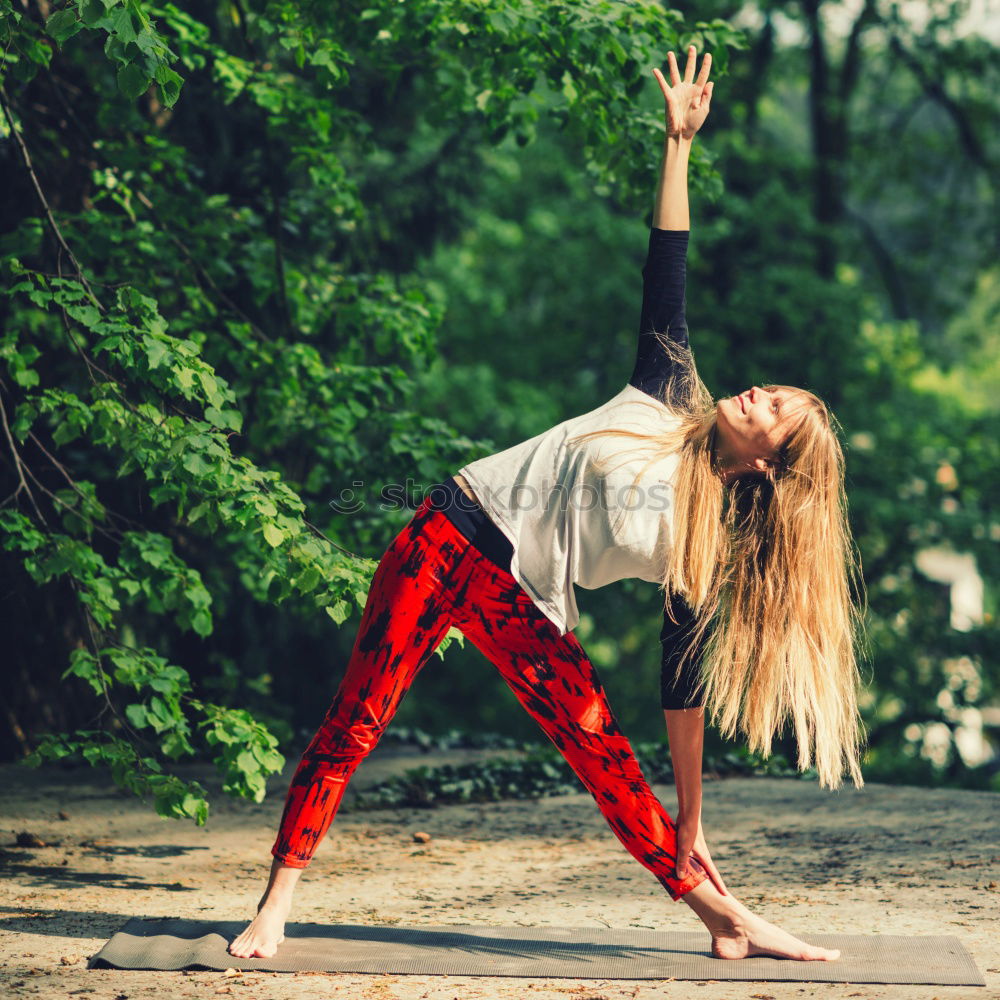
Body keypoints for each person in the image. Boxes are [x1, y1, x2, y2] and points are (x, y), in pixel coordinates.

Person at [229, 45, 866, 963]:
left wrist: (692, 814)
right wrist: (676, 145)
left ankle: (724, 916)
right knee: (358, 718)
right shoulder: (668, 390)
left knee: (601, 746)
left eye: (775, 411)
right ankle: (276, 902)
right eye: (770, 390)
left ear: (769, 469)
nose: (758, 393)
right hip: (447, 529)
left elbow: (679, 685)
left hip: (522, 600)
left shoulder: (704, 548)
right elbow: (667, 267)